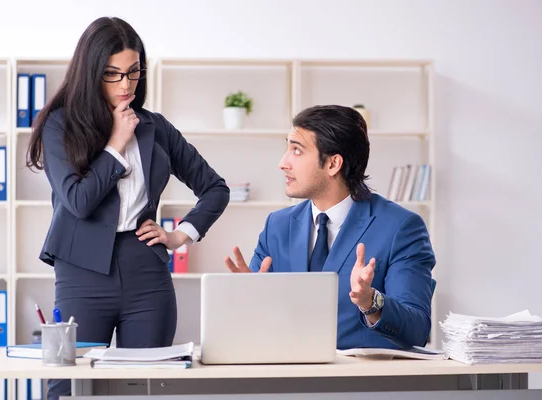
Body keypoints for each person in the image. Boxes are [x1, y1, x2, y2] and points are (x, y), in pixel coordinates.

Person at [27, 17, 229, 399]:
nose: (126, 85)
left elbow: (215, 189)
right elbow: (79, 201)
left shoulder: (156, 127)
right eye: (113, 74)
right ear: (91, 72)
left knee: (144, 387)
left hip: (145, 275)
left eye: (133, 73)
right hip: (82, 273)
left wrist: (179, 235)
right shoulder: (60, 126)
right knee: (67, 388)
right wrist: (116, 143)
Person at [225, 105, 435, 350]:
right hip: (287, 377)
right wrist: (246, 299)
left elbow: (418, 330)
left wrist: (371, 302)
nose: (283, 163)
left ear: (333, 164)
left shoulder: (401, 227)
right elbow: (257, 323)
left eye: (296, 150)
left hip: (360, 383)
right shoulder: (277, 226)